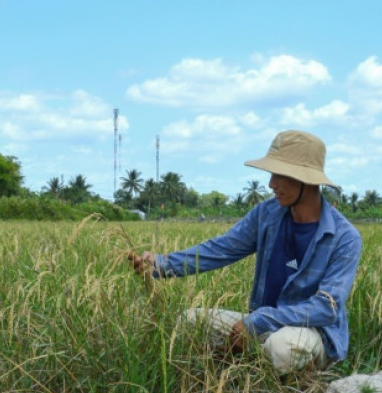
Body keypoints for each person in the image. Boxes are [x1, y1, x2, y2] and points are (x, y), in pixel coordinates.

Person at [128, 130, 362, 375]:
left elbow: (326, 307)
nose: (272, 184)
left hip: (311, 333)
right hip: (261, 326)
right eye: (272, 174)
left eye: (281, 175)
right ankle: (247, 369)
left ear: (307, 180)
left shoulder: (344, 238)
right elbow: (219, 249)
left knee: (281, 347)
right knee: (189, 322)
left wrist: (257, 322)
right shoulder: (266, 215)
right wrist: (162, 265)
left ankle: (302, 380)